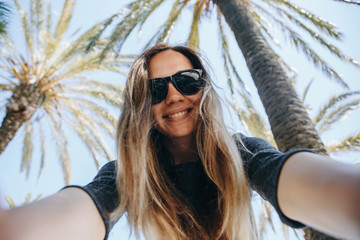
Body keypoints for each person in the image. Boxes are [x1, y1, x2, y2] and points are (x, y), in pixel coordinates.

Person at [0, 44, 359, 240]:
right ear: (141, 107)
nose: (173, 96)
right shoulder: (127, 174)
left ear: (204, 88)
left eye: (187, 80)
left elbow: (293, 178)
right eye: (156, 89)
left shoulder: (242, 152)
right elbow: (85, 210)